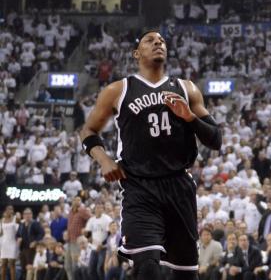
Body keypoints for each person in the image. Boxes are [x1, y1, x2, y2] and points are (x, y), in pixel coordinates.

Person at [79, 31, 223, 280]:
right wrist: (103, 159)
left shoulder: (186, 88)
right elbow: (88, 130)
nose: (158, 42)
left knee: (186, 274)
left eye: (162, 41)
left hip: (179, 186)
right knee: (147, 267)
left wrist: (189, 116)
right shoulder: (118, 90)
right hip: (139, 187)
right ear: (137, 54)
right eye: (150, 40)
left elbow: (215, 139)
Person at [0, 206, 16, 280]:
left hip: (12, 243)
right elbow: (1, 233)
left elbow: (18, 231)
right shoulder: (2, 220)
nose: (11, 210)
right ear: (6, 210)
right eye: (9, 209)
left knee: (12, 264)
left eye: (12, 209)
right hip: (4, 244)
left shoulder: (15, 219)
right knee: (3, 264)